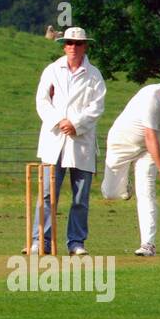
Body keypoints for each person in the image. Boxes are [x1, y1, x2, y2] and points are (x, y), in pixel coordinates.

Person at [101, 66, 160, 256]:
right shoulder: (151, 97)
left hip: (148, 150)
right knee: (110, 193)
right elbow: (150, 135)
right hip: (121, 143)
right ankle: (125, 188)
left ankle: (148, 245)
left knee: (147, 192)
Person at [31, 27, 106, 256]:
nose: (73, 47)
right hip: (54, 140)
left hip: (80, 142)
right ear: (64, 46)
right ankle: (39, 241)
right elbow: (42, 101)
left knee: (80, 197)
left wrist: (76, 124)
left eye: (78, 43)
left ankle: (76, 242)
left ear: (85, 46)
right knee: (46, 194)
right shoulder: (52, 70)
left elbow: (97, 107)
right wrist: (59, 121)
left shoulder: (94, 75)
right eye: (69, 43)